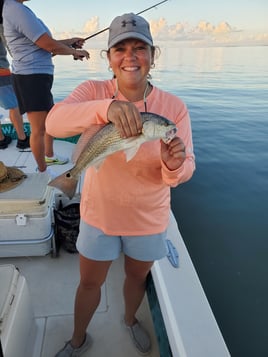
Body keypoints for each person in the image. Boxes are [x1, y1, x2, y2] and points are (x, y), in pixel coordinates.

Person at [46, 13, 195, 356]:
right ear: (109, 58)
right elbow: (54, 123)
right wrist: (106, 108)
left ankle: (129, 319)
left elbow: (185, 169)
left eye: (140, 47)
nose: (130, 56)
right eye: (120, 48)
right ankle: (78, 337)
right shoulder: (92, 91)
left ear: (153, 55)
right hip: (100, 215)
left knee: (136, 278)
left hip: (148, 218)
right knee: (88, 282)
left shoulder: (173, 108)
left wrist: (174, 167)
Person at [2, 0, 89, 172]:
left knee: (50, 120)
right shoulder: (14, 9)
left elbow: (44, 43)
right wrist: (74, 51)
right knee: (39, 130)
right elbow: (48, 45)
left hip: (36, 77)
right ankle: (42, 171)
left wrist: (69, 42)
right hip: (31, 78)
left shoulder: (18, 9)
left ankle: (49, 156)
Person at [0, 4, 29, 150]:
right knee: (14, 106)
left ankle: (1, 140)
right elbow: (12, 46)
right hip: (1, 72)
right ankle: (22, 139)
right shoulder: (3, 20)